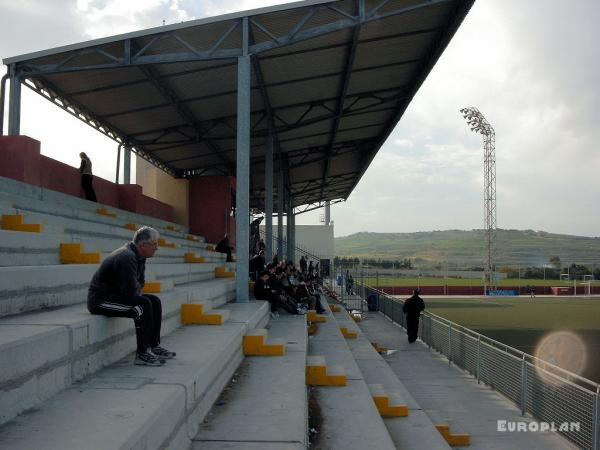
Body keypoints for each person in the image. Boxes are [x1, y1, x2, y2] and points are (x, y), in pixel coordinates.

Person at [87, 226, 176, 366]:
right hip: (100, 301)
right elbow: (130, 291)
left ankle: (153, 346)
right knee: (142, 306)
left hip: (116, 295)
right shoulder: (126, 257)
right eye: (155, 244)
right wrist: (136, 291)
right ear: (143, 245)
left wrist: (136, 291)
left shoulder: (140, 256)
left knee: (154, 301)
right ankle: (142, 353)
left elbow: (140, 284)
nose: (157, 248)